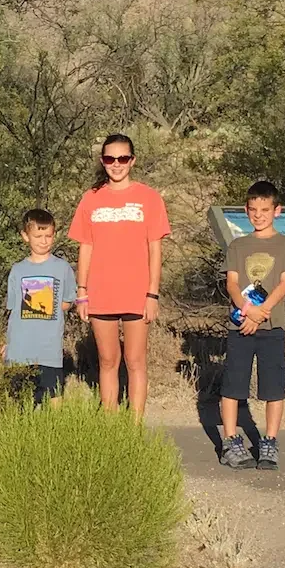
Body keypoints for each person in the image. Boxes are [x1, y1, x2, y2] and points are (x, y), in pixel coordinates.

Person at [68, 133, 171, 417]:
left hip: (138, 293)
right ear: (103, 161)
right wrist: (82, 292)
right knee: (107, 360)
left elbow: (155, 250)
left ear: (132, 160)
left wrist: (152, 293)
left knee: (136, 360)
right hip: (101, 293)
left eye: (122, 158)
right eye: (110, 159)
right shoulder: (90, 199)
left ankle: (135, 426)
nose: (116, 164)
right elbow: (85, 247)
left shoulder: (149, 198)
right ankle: (111, 425)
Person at [219, 180, 285, 471]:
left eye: (264, 209)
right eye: (253, 209)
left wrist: (262, 311)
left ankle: (269, 441)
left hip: (272, 326)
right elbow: (231, 283)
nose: (258, 215)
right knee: (234, 384)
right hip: (241, 325)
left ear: (276, 210)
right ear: (246, 210)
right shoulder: (238, 245)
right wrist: (248, 311)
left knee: (273, 386)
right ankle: (230, 440)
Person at [4, 208, 76, 405]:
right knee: (18, 402)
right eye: (38, 235)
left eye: (48, 235)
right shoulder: (18, 270)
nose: (44, 240)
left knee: (54, 398)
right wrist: (7, 343)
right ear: (25, 236)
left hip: (49, 349)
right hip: (19, 350)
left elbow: (66, 302)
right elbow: (13, 311)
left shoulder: (63, 268)